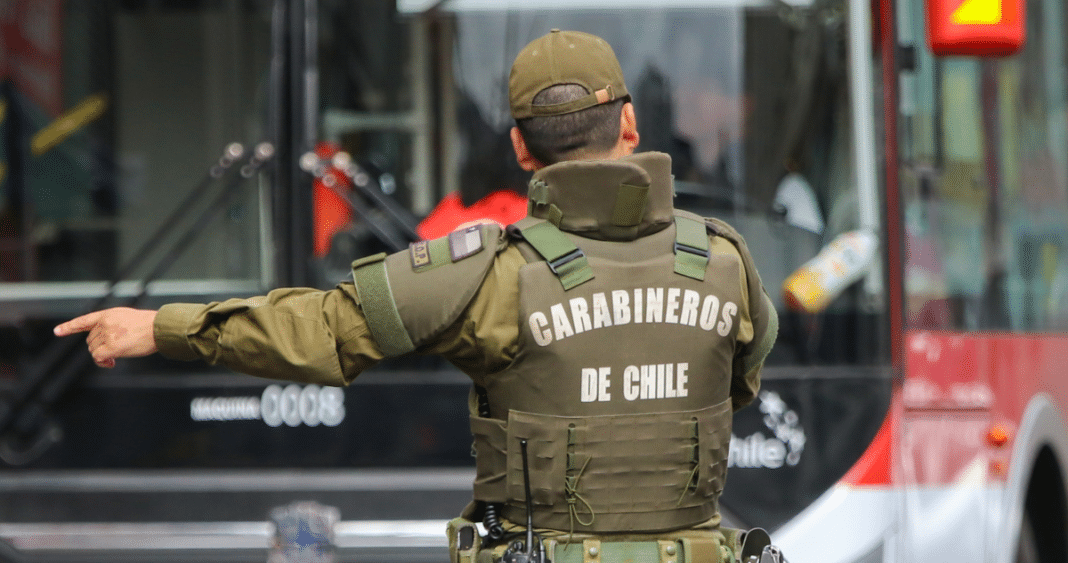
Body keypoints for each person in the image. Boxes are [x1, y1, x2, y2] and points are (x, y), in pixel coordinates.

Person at [55, 30, 779, 563]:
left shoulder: (488, 273)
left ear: (521, 149)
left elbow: (325, 331)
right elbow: (739, 386)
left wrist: (164, 326)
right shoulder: (724, 261)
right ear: (629, 126)